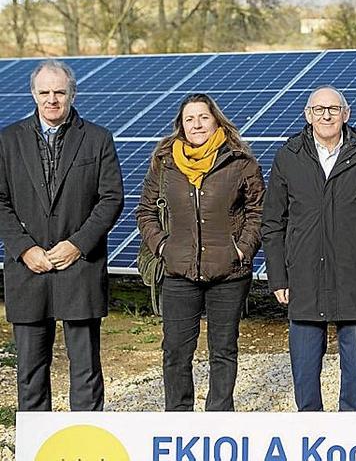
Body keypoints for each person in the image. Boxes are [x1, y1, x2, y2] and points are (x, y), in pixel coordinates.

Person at [0, 59, 124, 411]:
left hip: (79, 267)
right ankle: (37, 445)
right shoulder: (8, 140)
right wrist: (24, 249)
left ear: (72, 94)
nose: (52, 99)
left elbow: (111, 198)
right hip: (28, 270)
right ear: (33, 94)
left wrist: (77, 244)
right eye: (44, 92)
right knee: (30, 371)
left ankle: (85, 442)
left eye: (59, 92)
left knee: (85, 370)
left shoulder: (97, 138)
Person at [261, 85, 356, 412]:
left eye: (334, 109)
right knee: (304, 366)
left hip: (354, 273)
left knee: (354, 366)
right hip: (303, 274)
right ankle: (311, 428)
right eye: (319, 109)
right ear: (308, 115)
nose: (327, 115)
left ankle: (349, 430)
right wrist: (278, 277)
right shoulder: (288, 157)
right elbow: (273, 222)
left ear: (346, 114)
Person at [136, 93, 264, 411]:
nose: (197, 124)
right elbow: (145, 211)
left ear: (216, 121)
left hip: (228, 273)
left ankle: (219, 417)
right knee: (176, 351)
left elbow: (258, 212)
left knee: (223, 349)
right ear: (180, 125)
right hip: (179, 272)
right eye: (189, 119)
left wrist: (242, 249)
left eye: (203, 117)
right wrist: (163, 246)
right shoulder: (165, 164)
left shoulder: (239, 161)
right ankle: (179, 418)